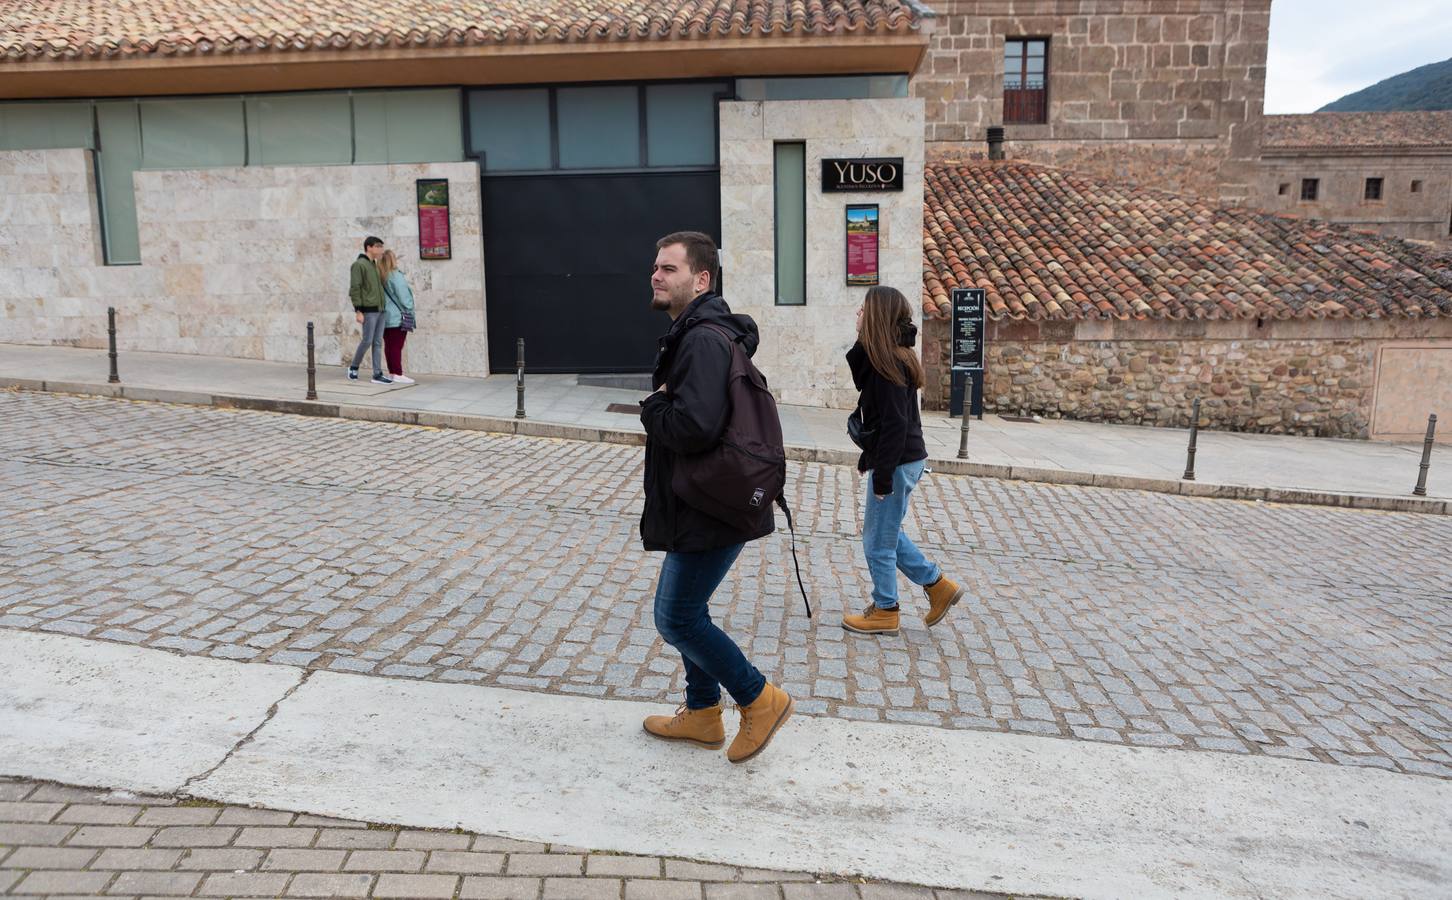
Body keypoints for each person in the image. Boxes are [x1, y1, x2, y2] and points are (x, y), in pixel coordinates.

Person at [638, 230, 793, 764]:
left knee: (677, 617)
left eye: (669, 269)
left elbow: (694, 426)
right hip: (706, 497)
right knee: (690, 609)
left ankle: (758, 697)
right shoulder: (700, 332)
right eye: (656, 267)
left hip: (708, 502)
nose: (656, 276)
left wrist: (651, 408)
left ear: (701, 279)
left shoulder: (702, 338)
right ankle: (703, 713)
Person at [842, 285, 963, 636]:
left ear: (876, 316)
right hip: (901, 459)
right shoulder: (888, 359)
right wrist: (872, 458)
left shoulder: (889, 365)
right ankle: (938, 586)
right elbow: (888, 419)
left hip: (898, 463)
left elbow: (895, 425)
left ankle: (885, 609)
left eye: (863, 310)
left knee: (877, 541)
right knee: (886, 533)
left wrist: (882, 477)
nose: (858, 315)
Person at [348, 236, 392, 384]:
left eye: (381, 246)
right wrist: (358, 310)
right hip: (368, 310)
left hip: (380, 310)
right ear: (369, 247)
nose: (381, 249)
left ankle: (377, 373)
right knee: (367, 340)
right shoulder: (359, 265)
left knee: (378, 342)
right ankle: (353, 367)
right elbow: (355, 288)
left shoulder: (375, 265)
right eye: (378, 246)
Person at [378, 249, 416, 384]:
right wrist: (410, 309)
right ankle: (398, 373)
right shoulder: (395, 275)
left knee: (389, 345)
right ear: (393, 260)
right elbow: (404, 297)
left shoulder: (380, 276)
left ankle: (392, 373)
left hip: (384, 317)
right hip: (397, 317)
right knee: (396, 345)